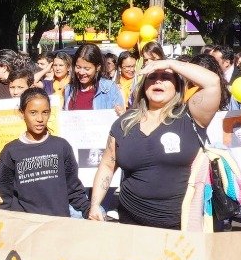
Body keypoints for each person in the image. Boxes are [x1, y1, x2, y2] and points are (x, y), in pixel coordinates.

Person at [88, 57, 224, 229]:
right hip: (130, 223)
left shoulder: (191, 116)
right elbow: (107, 165)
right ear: (144, 85)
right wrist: (95, 205)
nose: (158, 80)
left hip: (179, 225)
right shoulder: (124, 123)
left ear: (177, 86)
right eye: (152, 77)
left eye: (166, 77)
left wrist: (169, 63)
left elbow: (213, 82)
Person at [0, 87, 88, 216]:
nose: (40, 118)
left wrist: (88, 210)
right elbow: (2, 197)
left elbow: (73, 188)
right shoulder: (10, 152)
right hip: (26, 227)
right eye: (33, 112)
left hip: (58, 225)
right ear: (22, 113)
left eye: (45, 112)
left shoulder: (61, 147)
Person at [63, 43, 124, 111]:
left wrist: (120, 113)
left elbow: (120, 118)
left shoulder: (109, 88)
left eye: (87, 69)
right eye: (78, 67)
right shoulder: (69, 89)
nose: (81, 72)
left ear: (98, 67)